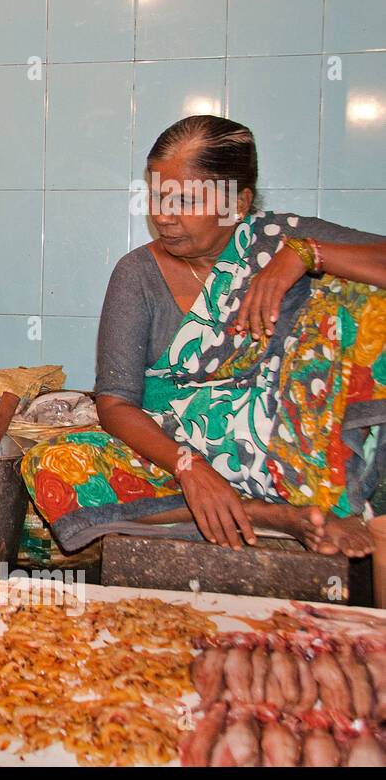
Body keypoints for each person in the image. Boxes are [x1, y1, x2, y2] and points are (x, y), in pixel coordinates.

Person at [22, 115, 386, 557]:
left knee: (366, 303)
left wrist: (305, 255)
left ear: (239, 202)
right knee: (49, 465)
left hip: (287, 452)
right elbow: (115, 403)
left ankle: (322, 499)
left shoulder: (278, 239)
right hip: (172, 455)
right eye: (157, 196)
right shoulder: (137, 274)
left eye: (187, 200)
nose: (164, 216)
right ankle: (263, 514)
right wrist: (187, 466)